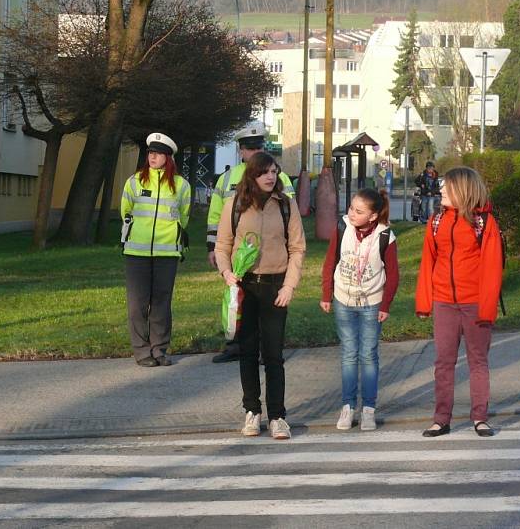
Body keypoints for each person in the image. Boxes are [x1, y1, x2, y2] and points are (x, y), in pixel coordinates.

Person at [215, 152, 306, 440]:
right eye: (264, 172)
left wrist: (289, 286)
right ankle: (252, 411)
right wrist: (227, 273)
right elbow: (222, 246)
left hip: (276, 286)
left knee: (274, 354)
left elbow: (298, 249)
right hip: (245, 286)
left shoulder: (286, 206)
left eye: (274, 171)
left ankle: (278, 416)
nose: (270, 177)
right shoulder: (235, 205)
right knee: (247, 351)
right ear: (252, 176)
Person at [414, 167, 503, 437]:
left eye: (446, 187)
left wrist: (487, 308)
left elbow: (492, 267)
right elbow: (428, 261)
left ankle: (480, 417)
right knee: (443, 362)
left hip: (475, 302)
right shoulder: (436, 221)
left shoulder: (484, 223)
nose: (440, 190)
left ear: (462, 191)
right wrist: (424, 302)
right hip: (444, 301)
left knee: (477, 361)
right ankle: (441, 418)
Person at [207, 122, 296, 364]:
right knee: (236, 302)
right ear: (241, 150)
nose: (254, 152)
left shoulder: (280, 176)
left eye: (258, 147)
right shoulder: (227, 179)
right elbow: (216, 215)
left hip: (271, 255)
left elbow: (289, 215)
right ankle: (236, 345)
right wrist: (212, 247)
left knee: (267, 308)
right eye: (249, 148)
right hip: (238, 255)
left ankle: (267, 350)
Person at [320, 188, 400, 431]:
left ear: (373, 216)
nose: (351, 213)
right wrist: (326, 294)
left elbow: (394, 274)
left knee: (368, 355)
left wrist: (385, 304)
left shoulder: (385, 236)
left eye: (358, 211)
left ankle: (368, 409)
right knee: (348, 353)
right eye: (351, 208)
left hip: (371, 303)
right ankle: (347, 406)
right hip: (343, 299)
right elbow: (330, 261)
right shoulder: (342, 228)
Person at [120, 132, 190, 367]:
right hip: (137, 252)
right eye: (151, 152)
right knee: (137, 304)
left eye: (158, 153)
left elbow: (184, 217)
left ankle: (159, 349)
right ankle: (141, 352)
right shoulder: (135, 181)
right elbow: (125, 212)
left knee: (161, 302)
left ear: (168, 158)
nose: (152, 157)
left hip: (167, 252)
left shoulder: (181, 186)